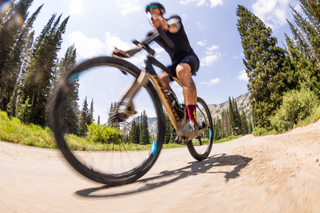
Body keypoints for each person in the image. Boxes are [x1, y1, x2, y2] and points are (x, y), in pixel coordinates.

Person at [113, 2, 200, 140]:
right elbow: (139, 47)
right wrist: (124, 53)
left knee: (181, 70)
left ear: (162, 12)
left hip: (189, 57)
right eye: (150, 12)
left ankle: (192, 122)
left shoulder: (173, 19)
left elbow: (174, 26)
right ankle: (177, 111)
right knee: (161, 80)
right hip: (174, 62)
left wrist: (165, 25)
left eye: (155, 11)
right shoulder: (152, 33)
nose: (152, 13)